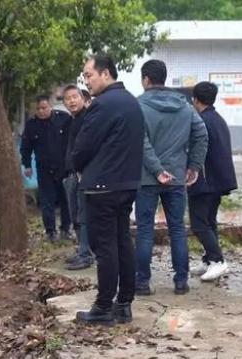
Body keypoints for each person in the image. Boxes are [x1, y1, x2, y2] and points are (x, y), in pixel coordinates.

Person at [73, 54, 144, 326]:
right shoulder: (131, 101)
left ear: (105, 74)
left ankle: (103, 307)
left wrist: (76, 165)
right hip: (126, 184)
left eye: (89, 75)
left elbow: (84, 147)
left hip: (102, 186)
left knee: (105, 248)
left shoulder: (103, 105)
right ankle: (124, 304)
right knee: (122, 242)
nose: (86, 81)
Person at [134, 60, 208, 296]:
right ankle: (181, 281)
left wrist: (156, 170)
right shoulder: (185, 106)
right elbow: (201, 133)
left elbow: (140, 142)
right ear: (164, 79)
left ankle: (143, 283)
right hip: (176, 176)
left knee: (145, 230)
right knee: (177, 229)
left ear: (146, 79)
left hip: (147, 179)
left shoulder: (138, 106)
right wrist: (194, 166)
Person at [189, 81, 238, 281]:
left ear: (195, 99)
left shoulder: (201, 121)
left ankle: (218, 261)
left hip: (205, 182)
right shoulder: (217, 118)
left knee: (199, 224)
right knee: (209, 222)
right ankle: (210, 259)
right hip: (218, 181)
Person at [21, 95, 72, 241]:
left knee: (65, 199)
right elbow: (26, 147)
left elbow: (72, 141)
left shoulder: (63, 119)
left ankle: (66, 229)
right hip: (44, 168)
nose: (41, 111)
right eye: (38, 109)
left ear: (50, 106)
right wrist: (27, 165)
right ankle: (50, 232)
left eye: (44, 108)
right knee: (47, 201)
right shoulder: (31, 125)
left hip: (63, 167)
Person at [61, 85, 94, 270]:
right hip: (71, 174)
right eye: (68, 98)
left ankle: (86, 254)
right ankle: (82, 249)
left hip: (83, 175)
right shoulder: (72, 120)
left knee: (83, 215)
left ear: (83, 98)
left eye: (75, 97)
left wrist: (82, 171)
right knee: (75, 214)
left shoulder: (88, 119)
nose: (72, 101)